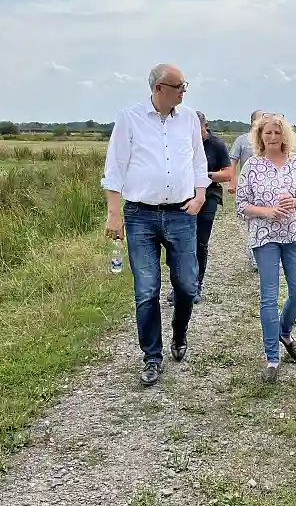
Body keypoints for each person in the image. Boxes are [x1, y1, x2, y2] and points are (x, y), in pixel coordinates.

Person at [102, 63, 209, 388]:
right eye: (180, 86)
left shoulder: (189, 118)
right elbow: (116, 166)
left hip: (181, 214)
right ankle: (152, 356)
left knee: (187, 286)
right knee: (146, 290)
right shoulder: (129, 118)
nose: (184, 91)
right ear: (160, 88)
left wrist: (201, 194)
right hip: (140, 217)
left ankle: (179, 333)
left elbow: (198, 160)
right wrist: (114, 212)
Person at [235, 113, 296, 384]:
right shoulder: (252, 166)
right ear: (259, 136)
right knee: (268, 298)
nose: (272, 137)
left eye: (277, 132)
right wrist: (267, 211)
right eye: (267, 133)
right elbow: (241, 205)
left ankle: (284, 330)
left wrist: (295, 202)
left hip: (294, 235)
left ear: (285, 135)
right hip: (265, 237)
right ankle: (272, 358)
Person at [167, 111, 231, 305]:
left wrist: (204, 176)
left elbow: (227, 174)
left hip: (209, 195)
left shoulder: (217, 145)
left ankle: (196, 284)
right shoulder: (181, 143)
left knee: (200, 242)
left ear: (205, 125)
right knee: (179, 243)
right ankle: (178, 286)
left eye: (197, 128)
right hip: (182, 197)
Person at [229, 109, 264, 271]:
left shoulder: (268, 140)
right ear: (253, 122)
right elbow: (233, 161)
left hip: (266, 188)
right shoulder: (242, 140)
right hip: (248, 187)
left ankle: (265, 254)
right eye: (261, 118)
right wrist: (232, 181)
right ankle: (254, 257)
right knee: (252, 223)